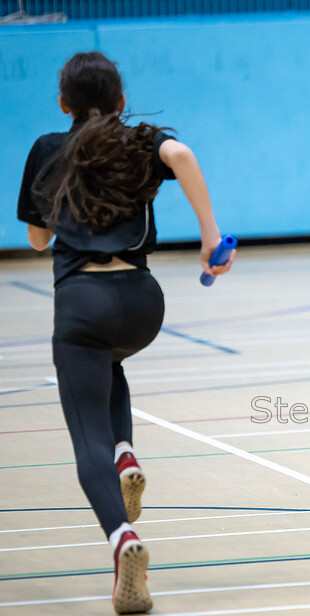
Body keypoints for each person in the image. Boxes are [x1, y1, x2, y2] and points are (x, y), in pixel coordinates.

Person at [16, 51, 233, 614]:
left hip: (82, 304)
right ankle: (127, 455)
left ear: (63, 103)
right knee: (109, 361)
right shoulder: (140, 140)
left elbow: (39, 242)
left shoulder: (46, 149)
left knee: (84, 429)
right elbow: (180, 154)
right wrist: (211, 238)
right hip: (143, 304)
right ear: (120, 100)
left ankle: (122, 538)